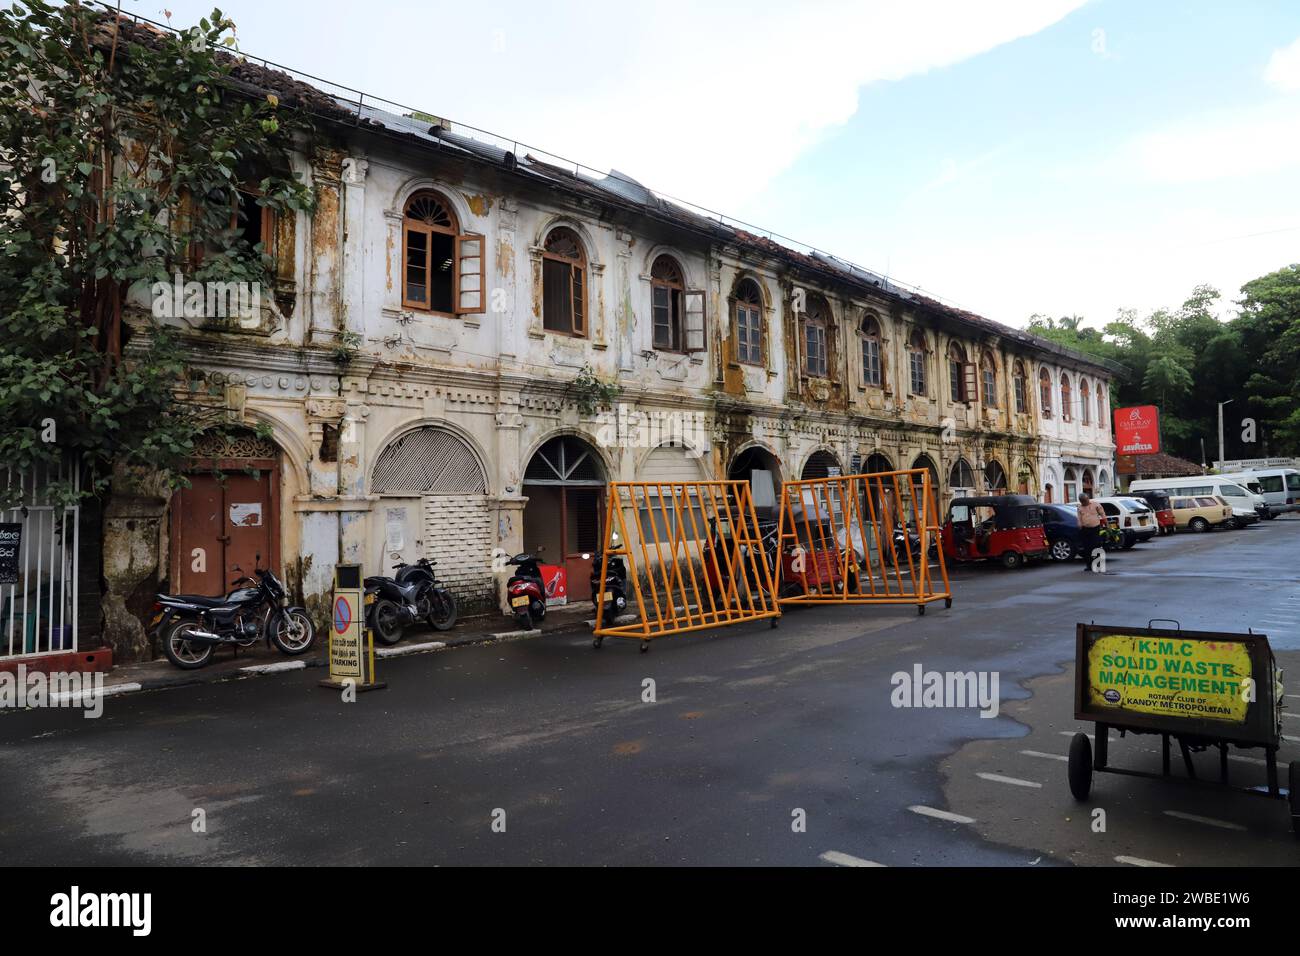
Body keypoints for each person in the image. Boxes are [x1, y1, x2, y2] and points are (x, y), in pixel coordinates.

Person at [1077, 493, 1107, 571]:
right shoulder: (1079, 508)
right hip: (1085, 529)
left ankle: (1098, 565)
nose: (1084, 502)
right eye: (1082, 501)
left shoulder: (1096, 505)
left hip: (1095, 529)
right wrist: (1079, 525)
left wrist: (1106, 524)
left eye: (1085, 500)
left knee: (1096, 546)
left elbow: (1102, 514)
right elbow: (1079, 518)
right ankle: (1089, 565)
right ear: (1080, 501)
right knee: (1087, 548)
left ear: (1088, 498)